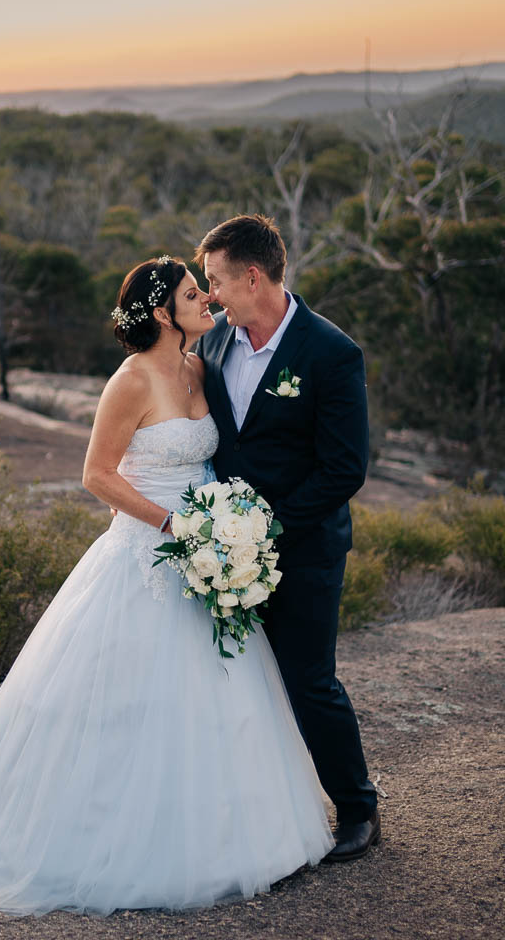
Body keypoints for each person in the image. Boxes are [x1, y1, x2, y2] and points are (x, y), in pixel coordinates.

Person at [0, 256, 333, 916]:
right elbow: (97, 475)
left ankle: (232, 832)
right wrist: (179, 525)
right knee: (132, 704)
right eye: (192, 293)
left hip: (208, 560)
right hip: (148, 556)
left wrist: (223, 531)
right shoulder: (130, 380)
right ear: (162, 311)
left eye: (205, 290)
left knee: (223, 696)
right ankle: (112, 841)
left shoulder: (201, 367)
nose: (207, 300)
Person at [192, 214, 379, 862]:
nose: (209, 294)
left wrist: (265, 530)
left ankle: (358, 809)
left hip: (305, 551)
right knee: (237, 679)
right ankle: (258, 815)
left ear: (252, 277)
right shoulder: (214, 342)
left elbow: (344, 468)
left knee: (308, 681)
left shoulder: (331, 353)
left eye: (215, 280)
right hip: (227, 551)